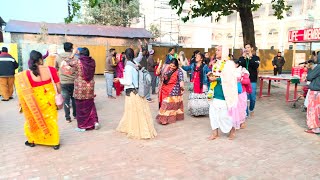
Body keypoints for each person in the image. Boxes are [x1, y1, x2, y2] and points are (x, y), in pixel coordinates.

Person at [15, 50, 61, 150]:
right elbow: (58, 85)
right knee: (51, 119)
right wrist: (59, 94)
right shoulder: (51, 70)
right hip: (49, 100)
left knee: (35, 119)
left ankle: (33, 140)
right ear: (41, 59)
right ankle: (54, 142)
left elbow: (22, 90)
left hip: (34, 101)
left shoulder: (26, 74)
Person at [114, 48, 157, 139]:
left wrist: (119, 80)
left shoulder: (128, 67)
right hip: (138, 91)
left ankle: (136, 130)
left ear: (125, 56)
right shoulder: (136, 63)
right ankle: (144, 129)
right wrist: (140, 51)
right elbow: (139, 57)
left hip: (132, 93)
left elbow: (128, 81)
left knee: (133, 113)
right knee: (140, 112)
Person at [208, 45, 238, 140]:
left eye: (218, 50)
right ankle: (215, 132)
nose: (216, 52)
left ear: (224, 52)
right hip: (215, 91)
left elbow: (230, 79)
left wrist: (217, 78)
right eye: (216, 50)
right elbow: (215, 75)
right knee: (213, 113)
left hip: (225, 93)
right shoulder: (216, 64)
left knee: (225, 115)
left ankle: (232, 130)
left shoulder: (230, 64)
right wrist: (211, 76)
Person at [67, 47, 100, 132]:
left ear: (80, 54)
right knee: (90, 104)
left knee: (80, 107)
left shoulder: (78, 62)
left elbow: (68, 62)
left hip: (80, 88)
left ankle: (83, 126)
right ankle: (94, 122)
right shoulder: (92, 61)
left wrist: (73, 53)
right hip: (90, 87)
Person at [156, 58, 185, 125]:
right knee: (164, 104)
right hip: (164, 89)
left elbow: (181, 80)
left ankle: (164, 120)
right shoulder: (166, 68)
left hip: (173, 90)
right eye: (171, 65)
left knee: (167, 105)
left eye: (173, 66)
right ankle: (164, 118)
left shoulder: (179, 71)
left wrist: (182, 88)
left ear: (177, 66)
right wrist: (159, 66)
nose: (172, 67)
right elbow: (158, 74)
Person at [56, 42, 77, 123]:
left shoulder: (58, 57)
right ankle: (75, 115)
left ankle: (68, 118)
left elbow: (56, 68)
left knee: (66, 100)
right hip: (74, 81)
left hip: (63, 82)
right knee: (74, 99)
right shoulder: (75, 57)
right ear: (71, 48)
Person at [238, 43, 260, 117]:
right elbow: (239, 65)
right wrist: (242, 58)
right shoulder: (242, 58)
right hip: (243, 80)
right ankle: (246, 113)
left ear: (252, 48)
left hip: (252, 80)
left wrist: (250, 58)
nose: (246, 49)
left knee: (252, 97)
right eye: (245, 47)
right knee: (244, 97)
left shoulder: (256, 58)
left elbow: (255, 66)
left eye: (248, 47)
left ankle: (251, 109)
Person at [304, 60, 320, 134]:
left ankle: (315, 128)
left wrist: (309, 69)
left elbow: (309, 77)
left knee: (313, 110)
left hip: (316, 91)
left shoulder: (318, 67)